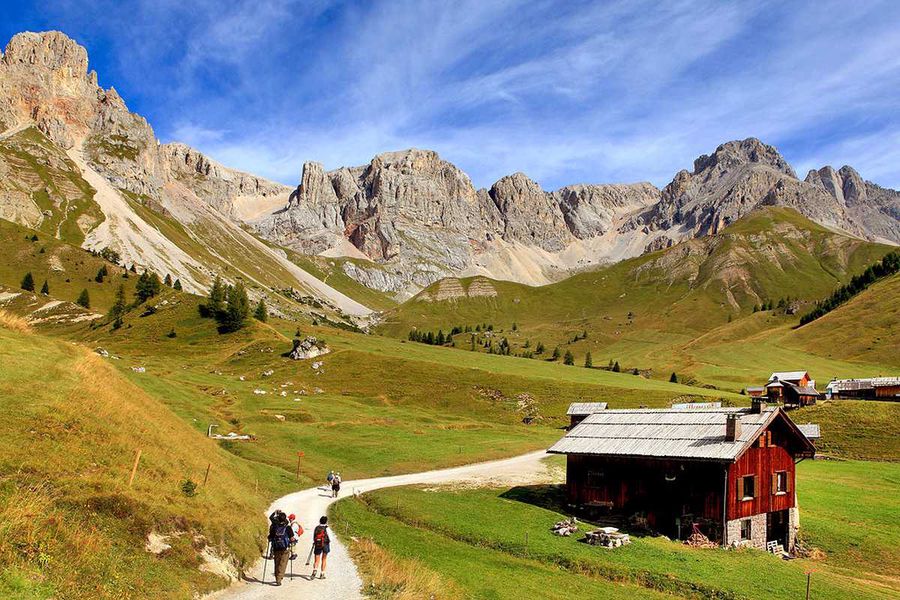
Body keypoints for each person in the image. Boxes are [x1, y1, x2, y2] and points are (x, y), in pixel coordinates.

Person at [267, 510, 296, 586]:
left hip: (276, 548)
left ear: (278, 519)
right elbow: (292, 538)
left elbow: (270, 537)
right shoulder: (288, 528)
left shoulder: (274, 527)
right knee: (283, 563)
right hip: (285, 548)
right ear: (285, 519)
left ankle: (277, 578)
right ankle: (279, 578)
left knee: (276, 563)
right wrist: (293, 542)